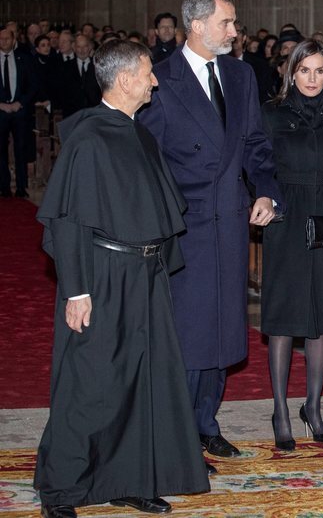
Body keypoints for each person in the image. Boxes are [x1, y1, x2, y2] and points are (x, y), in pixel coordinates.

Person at [34, 40, 209, 518]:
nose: (155, 81)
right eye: (149, 73)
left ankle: (129, 479)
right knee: (90, 384)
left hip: (145, 275)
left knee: (141, 381)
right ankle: (62, 489)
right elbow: (68, 220)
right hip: (103, 276)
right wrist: (77, 290)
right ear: (126, 78)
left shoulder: (139, 133)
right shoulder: (89, 139)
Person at [139, 0, 284, 462]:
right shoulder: (160, 80)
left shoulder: (241, 76)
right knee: (189, 331)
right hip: (186, 227)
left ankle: (206, 423)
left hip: (230, 222)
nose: (235, 31)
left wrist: (266, 190)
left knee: (224, 330)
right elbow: (147, 161)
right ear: (197, 25)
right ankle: (178, 434)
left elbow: (257, 145)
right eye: (227, 23)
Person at [259, 39, 323, 451]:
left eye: (320, 71)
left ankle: (313, 408)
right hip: (287, 218)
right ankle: (281, 411)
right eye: (305, 71)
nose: (312, 79)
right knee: (284, 318)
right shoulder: (270, 114)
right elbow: (259, 168)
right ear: (291, 73)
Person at [0, 27, 38, 197]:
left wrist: (20, 103)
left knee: (20, 148)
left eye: (7, 38)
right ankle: (4, 187)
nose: (4, 42)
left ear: (13, 39)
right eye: (1, 39)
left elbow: (33, 85)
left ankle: (22, 187)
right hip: (0, 111)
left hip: (19, 111)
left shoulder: (24, 59)